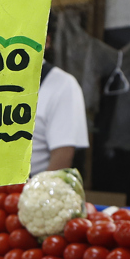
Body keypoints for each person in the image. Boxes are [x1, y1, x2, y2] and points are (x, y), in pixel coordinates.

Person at [32, 17, 90, 176]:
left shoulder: (63, 85)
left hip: (29, 188)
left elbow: (63, 154)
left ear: (46, 41)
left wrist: (38, 195)